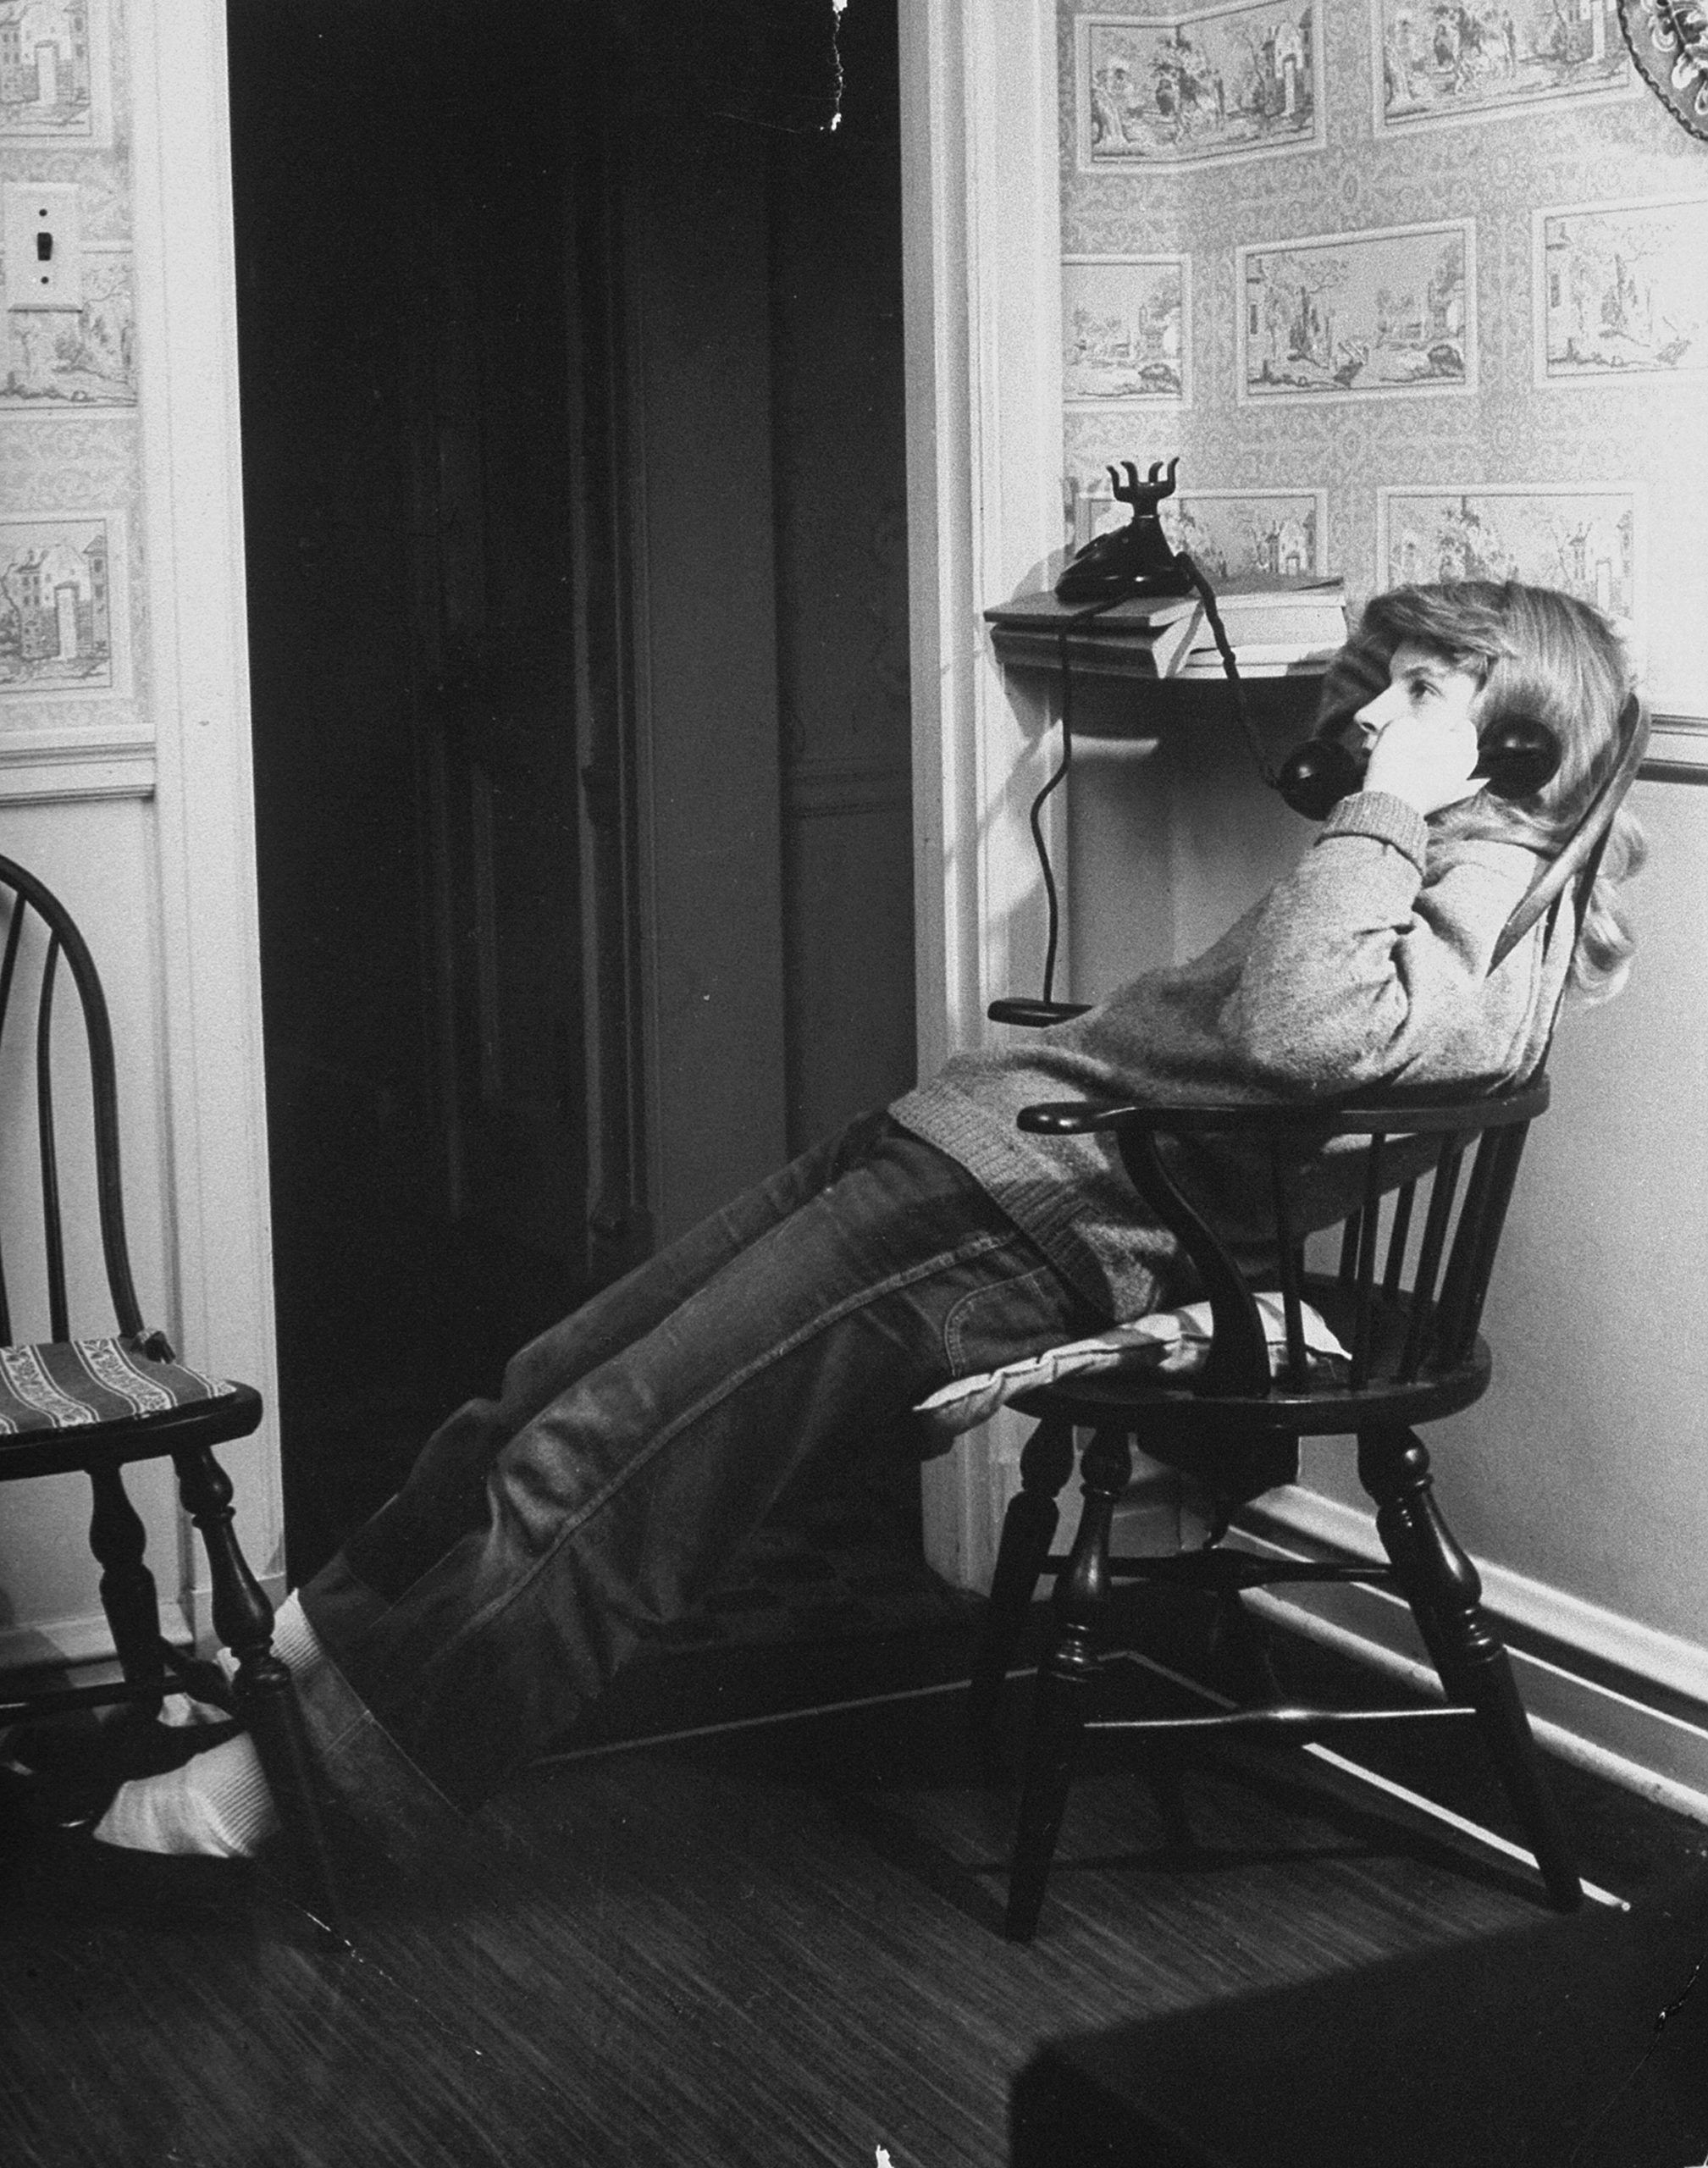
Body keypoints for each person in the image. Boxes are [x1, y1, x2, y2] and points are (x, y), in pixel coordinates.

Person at [39, 578, 1648, 1870]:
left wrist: (1380, 807)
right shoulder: (1437, 863)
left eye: (1420, 692)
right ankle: (305, 1659)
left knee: (606, 1472)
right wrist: (1385, 799)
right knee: (545, 1384)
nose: (1372, 719)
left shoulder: (1484, 911)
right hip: (965, 1156)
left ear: (1516, 738)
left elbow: (1300, 1033)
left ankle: (294, 1796)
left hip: (1023, 1221)